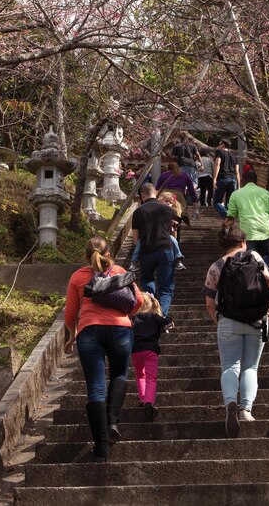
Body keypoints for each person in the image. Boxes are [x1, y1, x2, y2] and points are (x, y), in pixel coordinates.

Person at [64, 236, 144, 462]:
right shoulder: (120, 271)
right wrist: (124, 316)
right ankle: (112, 421)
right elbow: (138, 301)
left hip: (89, 332)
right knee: (119, 373)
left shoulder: (78, 276)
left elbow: (70, 314)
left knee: (96, 388)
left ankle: (101, 449)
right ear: (110, 253)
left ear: (85, 256)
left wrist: (72, 336)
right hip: (120, 330)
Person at [203, 220, 269, 437]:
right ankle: (246, 410)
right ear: (243, 242)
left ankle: (230, 403)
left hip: (228, 321)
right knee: (250, 367)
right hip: (257, 320)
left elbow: (209, 302)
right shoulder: (256, 258)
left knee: (230, 366)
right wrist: (266, 307)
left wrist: (220, 321)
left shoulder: (216, 266)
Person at [131, 183, 181, 315]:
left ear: (142, 195)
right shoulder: (168, 210)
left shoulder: (138, 212)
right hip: (165, 250)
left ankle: (149, 309)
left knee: (147, 279)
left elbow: (136, 240)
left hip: (146, 251)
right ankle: (161, 315)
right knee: (166, 287)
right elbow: (173, 235)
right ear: (156, 192)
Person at [226, 169, 269, 269]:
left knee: (248, 262)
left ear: (242, 181)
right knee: (264, 259)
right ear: (256, 182)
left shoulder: (236, 194)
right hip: (265, 233)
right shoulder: (267, 194)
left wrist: (227, 234)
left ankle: (251, 281)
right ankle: (265, 280)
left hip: (247, 234)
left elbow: (230, 218)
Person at [131, 291, 172, 423]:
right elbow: (167, 320)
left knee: (139, 375)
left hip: (135, 350)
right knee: (151, 378)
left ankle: (143, 399)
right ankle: (149, 401)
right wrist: (169, 323)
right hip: (151, 351)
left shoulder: (133, 318)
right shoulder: (154, 316)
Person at [212, 139, 239, 217]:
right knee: (228, 203)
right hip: (233, 180)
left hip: (223, 178)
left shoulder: (219, 152)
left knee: (216, 202)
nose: (218, 146)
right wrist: (239, 186)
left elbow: (217, 164)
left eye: (219, 144)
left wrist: (214, 178)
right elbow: (237, 171)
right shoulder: (234, 156)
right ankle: (228, 225)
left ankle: (227, 215)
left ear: (223, 145)